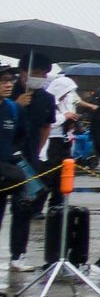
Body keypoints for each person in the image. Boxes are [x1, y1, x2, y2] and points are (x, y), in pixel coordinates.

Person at [0, 61, 57, 264]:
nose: (8, 84)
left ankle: (18, 256)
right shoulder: (17, 101)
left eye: (10, 80)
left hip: (14, 167)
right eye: (3, 81)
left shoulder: (13, 109)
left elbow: (20, 136)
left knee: (23, 209)